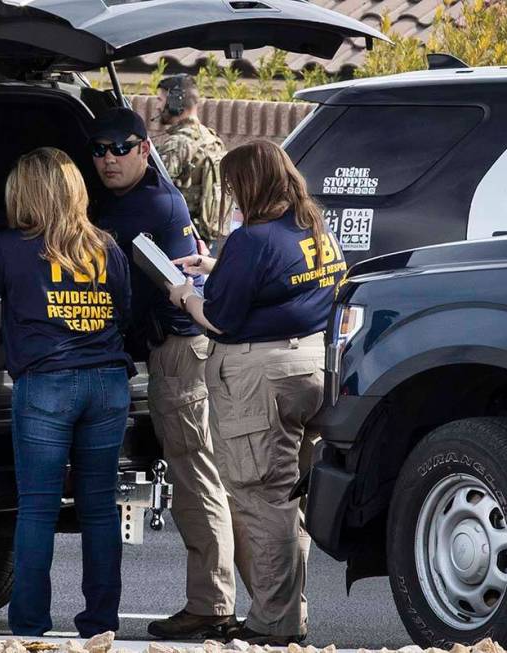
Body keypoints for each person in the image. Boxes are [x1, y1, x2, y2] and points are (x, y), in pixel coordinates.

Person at [0, 147, 133, 638]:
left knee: (39, 507)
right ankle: (100, 623)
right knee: (100, 507)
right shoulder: (108, 247)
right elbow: (124, 312)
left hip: (46, 385)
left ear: (24, 194)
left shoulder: (8, 248)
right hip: (108, 384)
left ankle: (29, 625)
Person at [167, 140, 347, 646]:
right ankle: (291, 616)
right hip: (314, 366)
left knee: (261, 499)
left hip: (260, 376)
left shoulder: (252, 238)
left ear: (248, 185)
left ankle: (273, 623)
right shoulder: (312, 224)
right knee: (290, 498)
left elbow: (219, 318)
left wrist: (185, 295)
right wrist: (217, 271)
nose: (229, 194)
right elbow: (284, 281)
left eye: (232, 185)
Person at [89, 108, 238, 640]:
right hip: (170, 351)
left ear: (145, 149)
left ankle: (212, 605)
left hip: (179, 353)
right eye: (99, 150)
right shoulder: (136, 195)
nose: (108, 158)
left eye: (119, 148)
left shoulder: (151, 204)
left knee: (195, 480)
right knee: (198, 476)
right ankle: (216, 601)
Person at [155, 74, 228, 251]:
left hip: (177, 239)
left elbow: (153, 193)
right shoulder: (212, 138)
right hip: (205, 241)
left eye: (160, 100)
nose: (157, 106)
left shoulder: (178, 144)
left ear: (175, 102)